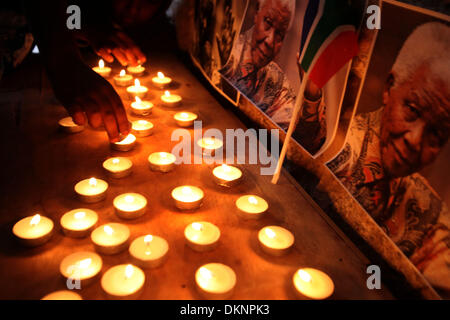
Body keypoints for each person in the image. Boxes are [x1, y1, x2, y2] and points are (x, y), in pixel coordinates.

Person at [307, 22, 450, 290]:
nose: (415, 141)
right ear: (389, 88)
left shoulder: (426, 209)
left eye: (437, 134)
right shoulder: (329, 145)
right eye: (413, 110)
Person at [23, 0, 168, 142]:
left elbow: (71, 18)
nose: (133, 8)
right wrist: (65, 60)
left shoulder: (165, 33)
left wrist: (86, 29)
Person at [220, 0, 327, 154]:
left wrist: (311, 95)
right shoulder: (227, 46)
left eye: (279, 34)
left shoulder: (276, 84)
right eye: (268, 23)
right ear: (256, 14)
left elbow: (301, 146)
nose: (270, 40)